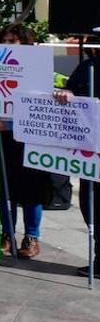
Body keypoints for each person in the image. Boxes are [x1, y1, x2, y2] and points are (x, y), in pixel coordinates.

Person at [0, 24, 46, 259]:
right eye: (5, 42)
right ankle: (7, 234)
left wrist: (10, 125)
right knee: (5, 192)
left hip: (28, 142)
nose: (8, 46)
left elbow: (42, 111)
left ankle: (31, 237)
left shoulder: (38, 69)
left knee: (30, 192)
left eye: (13, 42)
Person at [58, 40, 100, 276]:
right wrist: (65, 94)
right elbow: (70, 90)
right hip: (90, 149)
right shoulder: (88, 66)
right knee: (91, 203)